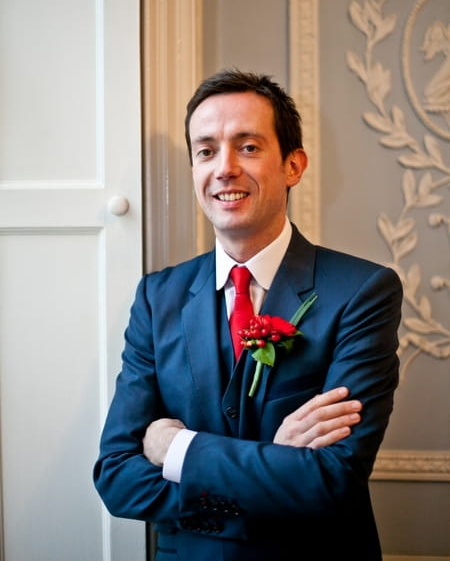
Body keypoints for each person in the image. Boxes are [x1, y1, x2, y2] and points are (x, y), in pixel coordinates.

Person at [94, 69, 402, 560]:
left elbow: (334, 478)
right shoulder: (157, 297)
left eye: (249, 147)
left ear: (293, 166)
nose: (224, 168)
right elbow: (116, 477)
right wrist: (278, 468)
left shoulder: (363, 292)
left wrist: (177, 450)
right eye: (206, 150)